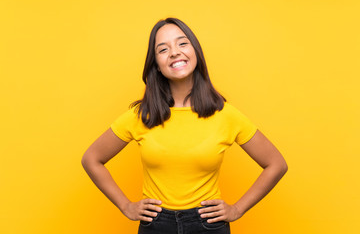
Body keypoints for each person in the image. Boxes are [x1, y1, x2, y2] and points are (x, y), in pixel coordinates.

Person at [81, 17, 288, 234]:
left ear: (195, 52)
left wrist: (237, 209)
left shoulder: (225, 114)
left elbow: (276, 164)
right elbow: (91, 159)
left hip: (208, 225)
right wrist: (125, 206)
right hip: (156, 225)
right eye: (163, 49)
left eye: (182, 43)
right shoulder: (141, 115)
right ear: (157, 66)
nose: (174, 52)